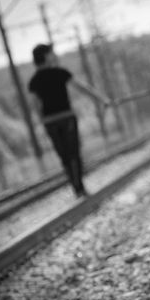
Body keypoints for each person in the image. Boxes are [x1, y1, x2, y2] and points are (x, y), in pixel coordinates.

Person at [28, 44, 108, 197]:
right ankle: (79, 188)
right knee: (73, 153)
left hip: (50, 121)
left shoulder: (34, 81)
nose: (54, 55)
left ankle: (76, 186)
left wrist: (41, 122)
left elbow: (35, 105)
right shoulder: (60, 72)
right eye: (51, 53)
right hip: (66, 117)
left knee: (64, 156)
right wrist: (100, 99)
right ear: (45, 56)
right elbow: (82, 87)